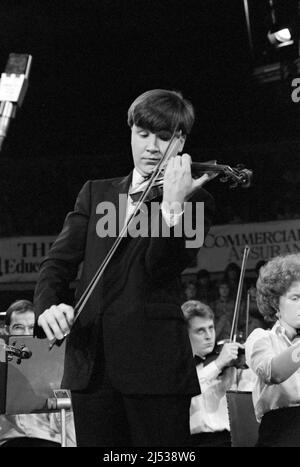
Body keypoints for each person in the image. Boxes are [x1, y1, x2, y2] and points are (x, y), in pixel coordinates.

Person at [33, 89, 216, 447]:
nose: (150, 146)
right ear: (131, 131)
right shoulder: (96, 193)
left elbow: (160, 268)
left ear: (179, 142)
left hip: (155, 368)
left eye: (163, 137)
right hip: (92, 365)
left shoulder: (196, 198)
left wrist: (172, 206)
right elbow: (57, 262)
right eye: (142, 134)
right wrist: (47, 306)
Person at [0, 300, 76, 447]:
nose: (27, 333)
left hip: (54, 437)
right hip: (10, 437)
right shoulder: (2, 355)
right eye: (19, 327)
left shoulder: (60, 358)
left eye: (32, 328)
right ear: (7, 330)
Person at [245, 253, 300, 447]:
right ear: (276, 303)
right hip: (282, 431)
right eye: (295, 298)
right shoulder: (261, 338)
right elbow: (273, 372)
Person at [182, 300, 244, 447]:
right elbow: (191, 389)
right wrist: (218, 364)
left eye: (211, 328)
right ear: (185, 334)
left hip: (231, 440)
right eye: (200, 331)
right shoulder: (179, 369)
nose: (209, 336)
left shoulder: (226, 361)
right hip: (197, 442)